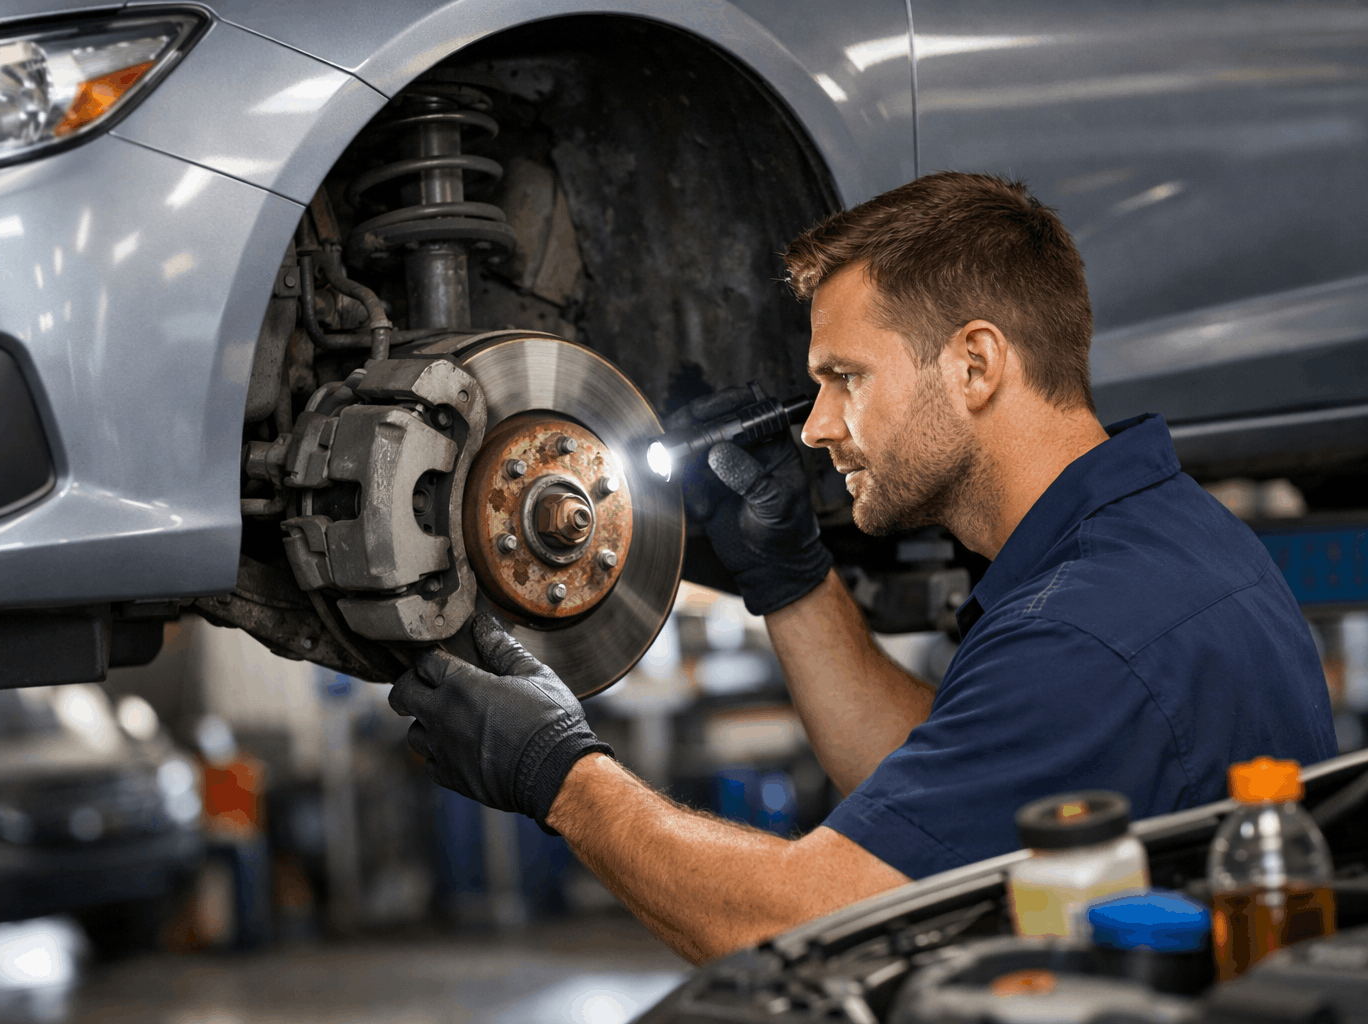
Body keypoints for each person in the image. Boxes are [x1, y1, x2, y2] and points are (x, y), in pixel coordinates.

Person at [388, 172, 1336, 964]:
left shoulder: (1088, 631)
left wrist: (561, 774)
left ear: (975, 366)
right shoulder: (1150, 540)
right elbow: (949, 798)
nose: (815, 426)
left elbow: (807, 921)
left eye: (847, 377)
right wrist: (791, 579)